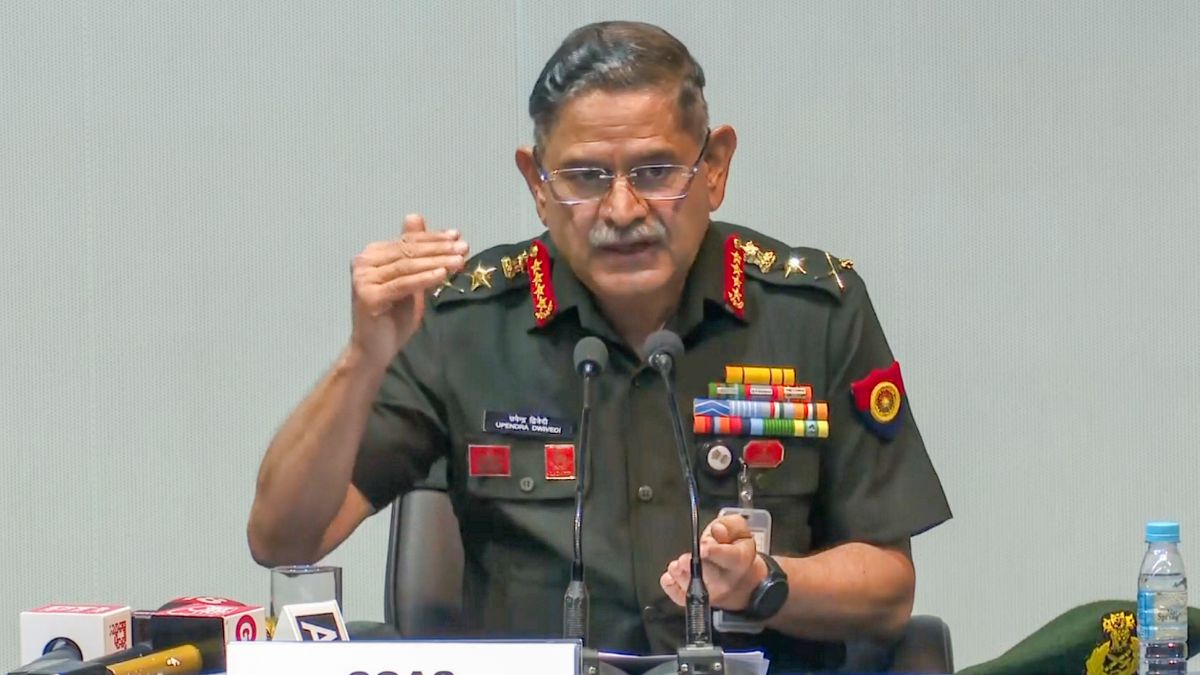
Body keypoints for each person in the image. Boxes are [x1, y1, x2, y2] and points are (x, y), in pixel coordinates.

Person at [247, 20, 951, 671]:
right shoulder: (468, 322)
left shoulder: (813, 313)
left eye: (654, 172)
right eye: (586, 178)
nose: (622, 209)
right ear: (538, 183)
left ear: (714, 166)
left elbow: (888, 591)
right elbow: (285, 539)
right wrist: (361, 358)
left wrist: (769, 581)